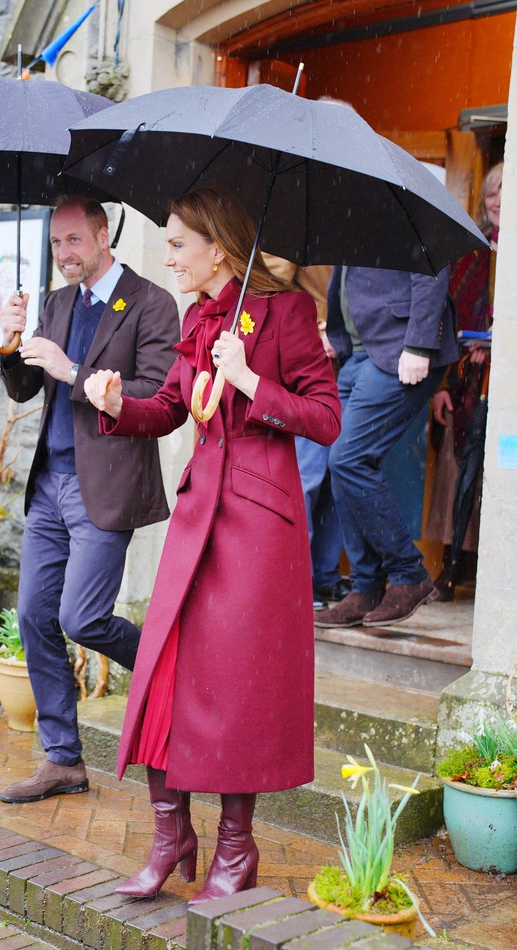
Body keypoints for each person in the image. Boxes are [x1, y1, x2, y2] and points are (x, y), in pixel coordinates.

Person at [84, 187, 341, 903]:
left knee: (237, 692)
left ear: (217, 250)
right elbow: (170, 408)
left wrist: (251, 377)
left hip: (259, 532)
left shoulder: (287, 314)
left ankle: (236, 849)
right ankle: (172, 836)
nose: (167, 257)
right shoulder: (199, 318)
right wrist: (116, 406)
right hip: (197, 523)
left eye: (176, 245)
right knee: (163, 674)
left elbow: (326, 419)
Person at [0, 195, 180, 803]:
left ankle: (169, 671)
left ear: (104, 236)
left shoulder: (150, 304)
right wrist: (7, 342)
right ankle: (63, 760)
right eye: (55, 244)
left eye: (73, 241)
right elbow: (27, 386)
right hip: (50, 485)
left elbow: (157, 399)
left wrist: (73, 369)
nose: (63, 254)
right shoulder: (54, 302)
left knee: (83, 618)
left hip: (106, 486)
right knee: (34, 616)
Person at [315, 261, 457, 629]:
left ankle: (409, 575)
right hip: (357, 353)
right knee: (341, 462)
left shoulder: (403, 204)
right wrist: (338, 330)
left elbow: (432, 267)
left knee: (350, 459)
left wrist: (420, 343)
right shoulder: (355, 208)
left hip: (398, 349)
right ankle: (366, 587)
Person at [425, 162, 502, 599]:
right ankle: (454, 565)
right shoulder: (469, 250)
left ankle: (487, 573)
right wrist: (438, 386)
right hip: (462, 379)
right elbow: (444, 313)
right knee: (458, 473)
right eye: (492, 192)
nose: (497, 201)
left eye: (506, 192)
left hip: (501, 383)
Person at [263, 256, 350, 611]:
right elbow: (268, 287)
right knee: (307, 480)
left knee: (335, 477)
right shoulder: (296, 223)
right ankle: (298, 578)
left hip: (347, 362)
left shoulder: (351, 228)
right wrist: (315, 330)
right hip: (309, 367)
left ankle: (324, 575)